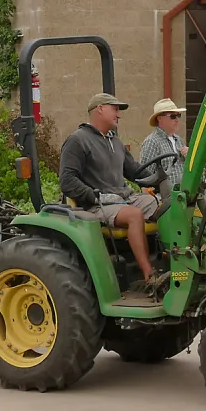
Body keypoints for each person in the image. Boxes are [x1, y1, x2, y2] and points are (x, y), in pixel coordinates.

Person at [60, 93, 163, 293]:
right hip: (96, 205)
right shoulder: (78, 140)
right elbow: (67, 180)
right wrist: (94, 195)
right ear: (100, 109)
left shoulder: (115, 141)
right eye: (115, 109)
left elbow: (135, 172)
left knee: (167, 208)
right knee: (134, 215)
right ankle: (149, 275)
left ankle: (172, 264)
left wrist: (160, 180)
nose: (119, 115)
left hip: (124, 198)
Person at [139, 98, 189, 200]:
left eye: (178, 115)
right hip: (164, 198)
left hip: (183, 195)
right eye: (173, 116)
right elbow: (144, 177)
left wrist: (190, 157)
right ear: (160, 118)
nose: (177, 119)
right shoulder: (152, 142)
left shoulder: (178, 140)